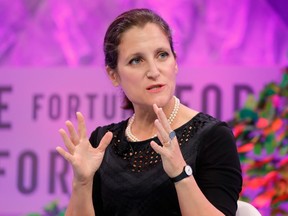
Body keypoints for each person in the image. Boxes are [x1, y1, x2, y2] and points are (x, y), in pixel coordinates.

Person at [56, 8, 242, 216]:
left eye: (162, 55)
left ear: (175, 62)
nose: (154, 72)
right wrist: (82, 183)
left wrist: (181, 175)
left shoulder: (212, 136)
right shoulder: (103, 143)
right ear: (113, 75)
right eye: (136, 60)